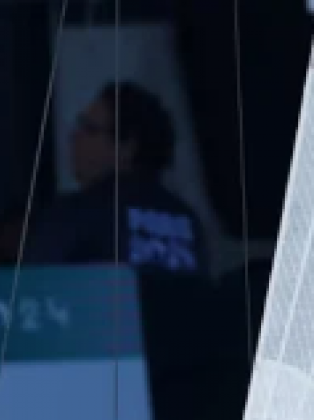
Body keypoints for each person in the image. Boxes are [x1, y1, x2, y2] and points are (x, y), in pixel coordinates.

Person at [23, 81, 209, 278]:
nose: (74, 137)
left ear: (127, 147)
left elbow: (34, 289)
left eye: (89, 129)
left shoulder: (76, 213)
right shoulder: (188, 221)